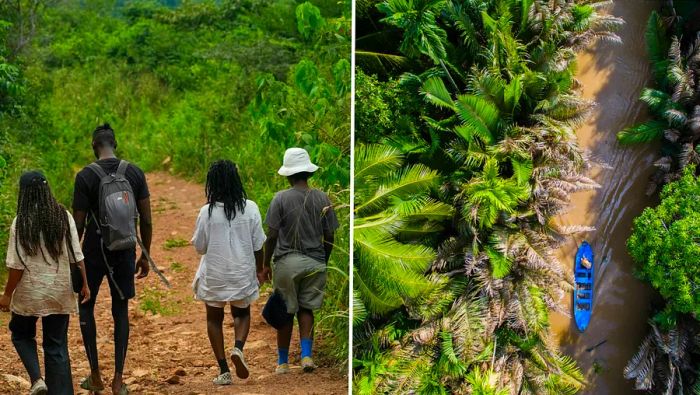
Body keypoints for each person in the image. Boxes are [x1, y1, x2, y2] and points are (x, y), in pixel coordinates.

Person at [72, 123, 152, 395]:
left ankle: (95, 374)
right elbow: (147, 220)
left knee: (86, 306)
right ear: (114, 144)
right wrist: (145, 256)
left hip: (94, 250)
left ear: (94, 147)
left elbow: (78, 226)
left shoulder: (85, 176)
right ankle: (118, 379)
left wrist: (75, 260)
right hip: (125, 249)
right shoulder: (135, 172)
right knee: (120, 311)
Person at [0, 171, 90, 395]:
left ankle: (37, 379)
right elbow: (76, 256)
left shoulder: (20, 222)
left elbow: (16, 266)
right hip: (59, 290)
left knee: (21, 334)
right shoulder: (63, 215)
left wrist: (7, 294)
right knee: (56, 344)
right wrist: (85, 285)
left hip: (29, 292)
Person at [258, 148, 339, 374]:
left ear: (288, 175)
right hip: (316, 262)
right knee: (307, 309)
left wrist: (265, 264)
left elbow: (272, 235)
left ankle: (283, 362)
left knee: (285, 312)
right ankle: (306, 356)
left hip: (287, 263)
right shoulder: (323, 198)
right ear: (308, 173)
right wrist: (324, 259)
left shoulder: (280, 199)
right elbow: (330, 236)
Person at [191, 160, 266, 385]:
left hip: (215, 274)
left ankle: (224, 370)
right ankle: (238, 348)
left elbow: (200, 247)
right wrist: (259, 271)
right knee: (241, 314)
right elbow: (258, 246)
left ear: (212, 183)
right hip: (242, 273)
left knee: (214, 319)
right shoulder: (250, 208)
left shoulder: (207, 212)